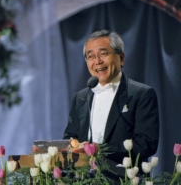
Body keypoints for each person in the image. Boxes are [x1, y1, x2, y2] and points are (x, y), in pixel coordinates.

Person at [63, 30, 159, 181]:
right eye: (91, 56)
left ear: (121, 58)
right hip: (84, 180)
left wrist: (99, 150)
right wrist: (74, 147)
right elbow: (70, 137)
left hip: (125, 179)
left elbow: (146, 143)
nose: (97, 61)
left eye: (103, 54)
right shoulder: (80, 98)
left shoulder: (142, 94)